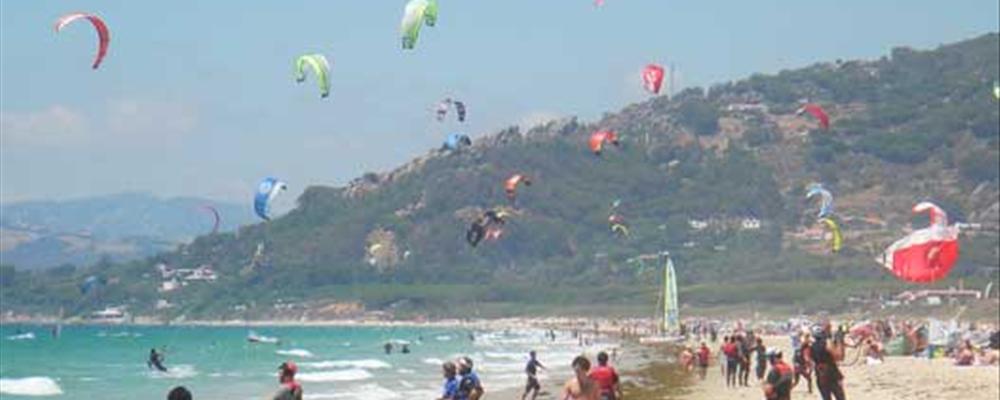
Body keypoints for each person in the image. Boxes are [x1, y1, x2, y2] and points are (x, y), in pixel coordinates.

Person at [811, 322, 846, 400]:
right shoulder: (827, 343)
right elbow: (839, 357)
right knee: (840, 397)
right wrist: (839, 341)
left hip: (820, 374)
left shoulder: (812, 346)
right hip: (831, 373)